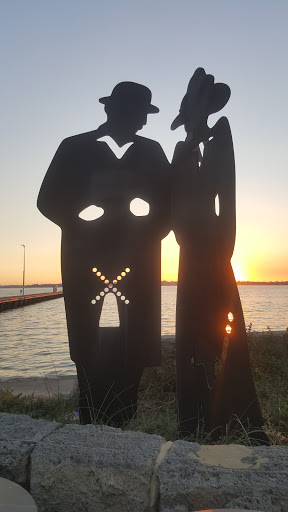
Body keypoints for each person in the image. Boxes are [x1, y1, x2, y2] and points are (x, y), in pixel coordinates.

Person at [38, 82, 170, 426]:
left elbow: (169, 208)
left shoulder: (151, 152)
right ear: (113, 111)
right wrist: (81, 222)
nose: (142, 122)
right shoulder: (75, 148)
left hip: (138, 262)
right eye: (139, 113)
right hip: (84, 260)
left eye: (145, 115)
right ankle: (91, 411)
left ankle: (125, 410)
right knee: (84, 333)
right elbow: (48, 199)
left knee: (137, 334)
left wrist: (146, 233)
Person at [171, 68, 266, 439]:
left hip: (214, 251)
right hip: (189, 252)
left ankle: (234, 412)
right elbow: (175, 207)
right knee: (191, 336)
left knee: (223, 331)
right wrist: (185, 240)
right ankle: (194, 418)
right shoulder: (181, 151)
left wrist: (223, 248)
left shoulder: (219, 139)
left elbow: (228, 198)